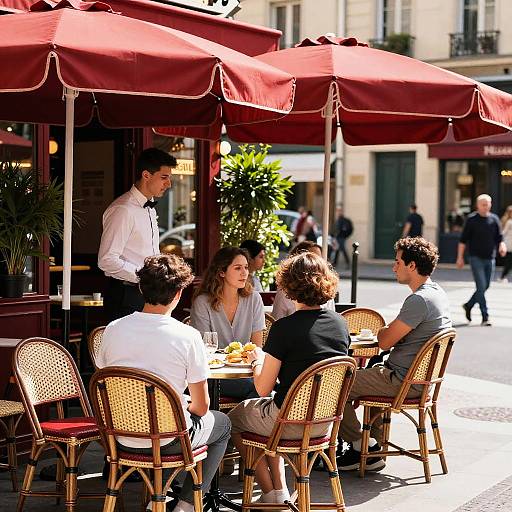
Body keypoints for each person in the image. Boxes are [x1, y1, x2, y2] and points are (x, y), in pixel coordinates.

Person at [97, 254, 231, 512]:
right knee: (222, 423)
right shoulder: (188, 336)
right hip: (167, 439)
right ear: (180, 293)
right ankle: (187, 504)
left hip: (118, 438)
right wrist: (182, 405)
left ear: (140, 287)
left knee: (178, 418)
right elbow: (202, 408)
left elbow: (110, 386)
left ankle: (162, 494)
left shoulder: (113, 329)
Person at [228, 252, 350, 505]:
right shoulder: (340, 325)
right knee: (264, 413)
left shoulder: (284, 328)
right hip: (324, 424)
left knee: (233, 420)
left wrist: (256, 360)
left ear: (289, 285)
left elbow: (262, 388)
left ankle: (270, 492)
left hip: (287, 421)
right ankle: (278, 491)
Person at [337, 237, 451, 472]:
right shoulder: (437, 292)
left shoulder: (419, 300)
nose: (393, 267)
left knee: (336, 383)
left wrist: (383, 331)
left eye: (397, 261)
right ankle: (371, 450)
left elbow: (385, 340)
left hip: (403, 381)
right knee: (371, 374)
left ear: (412, 265)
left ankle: (361, 444)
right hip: (416, 380)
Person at [98, 148, 176, 321]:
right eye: (164, 177)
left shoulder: (149, 208)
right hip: (126, 295)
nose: (169, 184)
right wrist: (146, 277)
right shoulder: (123, 210)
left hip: (148, 294)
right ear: (146, 175)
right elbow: (106, 260)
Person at [190, 247, 266, 399]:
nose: (244, 273)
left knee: (262, 387)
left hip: (247, 372)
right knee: (261, 389)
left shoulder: (254, 299)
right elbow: (204, 350)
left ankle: (237, 419)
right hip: (214, 375)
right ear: (221, 272)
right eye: (238, 268)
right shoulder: (203, 303)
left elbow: (257, 346)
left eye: (246, 267)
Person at [457, 194, 507, 326]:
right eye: (483, 204)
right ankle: (485, 317)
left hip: (490, 258)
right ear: (478, 205)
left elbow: (499, 238)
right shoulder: (471, 220)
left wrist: (502, 246)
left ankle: (468, 305)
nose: (486, 206)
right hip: (475, 258)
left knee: (485, 286)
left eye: (488, 204)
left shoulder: (494, 219)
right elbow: (462, 241)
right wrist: (460, 258)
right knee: (481, 286)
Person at [272, 241, 335, 320]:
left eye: (319, 258)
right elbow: (276, 317)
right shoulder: (285, 290)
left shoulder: (326, 288)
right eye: (310, 258)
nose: (315, 262)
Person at [499, 205, 512, 282]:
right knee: (509, 262)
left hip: (509, 244)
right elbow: (503, 232)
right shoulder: (510, 222)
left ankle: (503, 277)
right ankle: (502, 277)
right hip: (509, 245)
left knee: (509, 262)